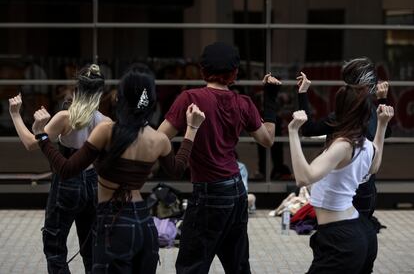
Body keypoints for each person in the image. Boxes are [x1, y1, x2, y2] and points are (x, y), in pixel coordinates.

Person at [31, 63, 206, 273]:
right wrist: (192, 129)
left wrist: (42, 137)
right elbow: (178, 170)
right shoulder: (158, 139)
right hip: (144, 222)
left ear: (118, 98)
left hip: (113, 221)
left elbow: (68, 169)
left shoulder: (106, 130)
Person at [157, 42, 280, 274]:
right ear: (234, 74)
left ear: (203, 70)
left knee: (190, 267)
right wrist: (270, 98)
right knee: (238, 266)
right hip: (236, 190)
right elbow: (268, 140)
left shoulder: (189, 99)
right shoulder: (243, 103)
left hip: (208, 194)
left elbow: (157, 140)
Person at [9, 64, 111, 274]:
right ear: (101, 93)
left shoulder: (65, 117)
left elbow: (30, 143)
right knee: (90, 247)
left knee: (55, 246)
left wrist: (15, 115)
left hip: (67, 183)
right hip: (93, 183)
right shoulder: (106, 122)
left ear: (77, 89)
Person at [288, 70, 394, 272]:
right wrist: (381, 126)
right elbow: (374, 167)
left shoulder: (344, 145)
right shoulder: (364, 143)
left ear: (341, 110)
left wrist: (293, 132)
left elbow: (303, 178)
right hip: (360, 230)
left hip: (341, 238)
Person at [296, 58, 392, 218]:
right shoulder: (374, 113)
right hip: (365, 190)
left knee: (342, 234)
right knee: (362, 233)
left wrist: (303, 93)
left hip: (344, 192)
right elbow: (384, 134)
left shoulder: (342, 117)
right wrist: (382, 101)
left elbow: (308, 129)